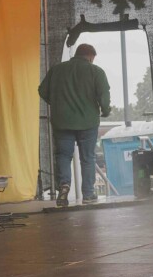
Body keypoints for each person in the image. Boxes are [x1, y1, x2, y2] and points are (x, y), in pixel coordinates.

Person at [38, 43, 111, 207]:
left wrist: (56, 103)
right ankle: (88, 194)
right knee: (87, 158)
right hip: (87, 122)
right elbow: (104, 97)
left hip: (62, 121)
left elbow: (42, 90)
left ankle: (64, 186)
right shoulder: (96, 71)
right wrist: (105, 111)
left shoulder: (57, 70)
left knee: (63, 156)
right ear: (91, 57)